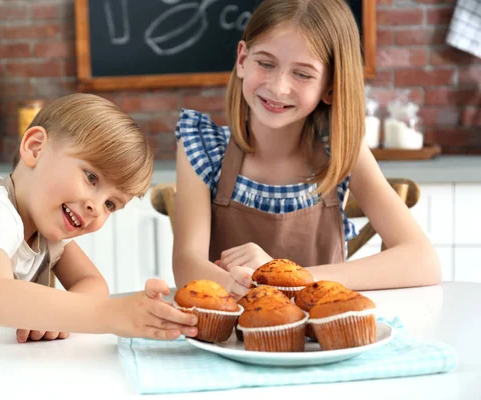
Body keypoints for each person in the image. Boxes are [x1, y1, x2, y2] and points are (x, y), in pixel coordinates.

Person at [0, 93, 197, 357]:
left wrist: (58, 314)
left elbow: (91, 281)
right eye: (91, 178)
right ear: (35, 148)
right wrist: (111, 315)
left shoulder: (48, 230)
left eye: (111, 204)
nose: (95, 208)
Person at [172, 0, 441, 299]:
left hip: (324, 340)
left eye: (302, 74)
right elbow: (187, 266)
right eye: (266, 63)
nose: (278, 87)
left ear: (330, 86)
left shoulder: (341, 149)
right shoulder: (202, 147)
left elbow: (423, 261)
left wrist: (286, 277)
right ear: (242, 60)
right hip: (232, 339)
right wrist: (255, 283)